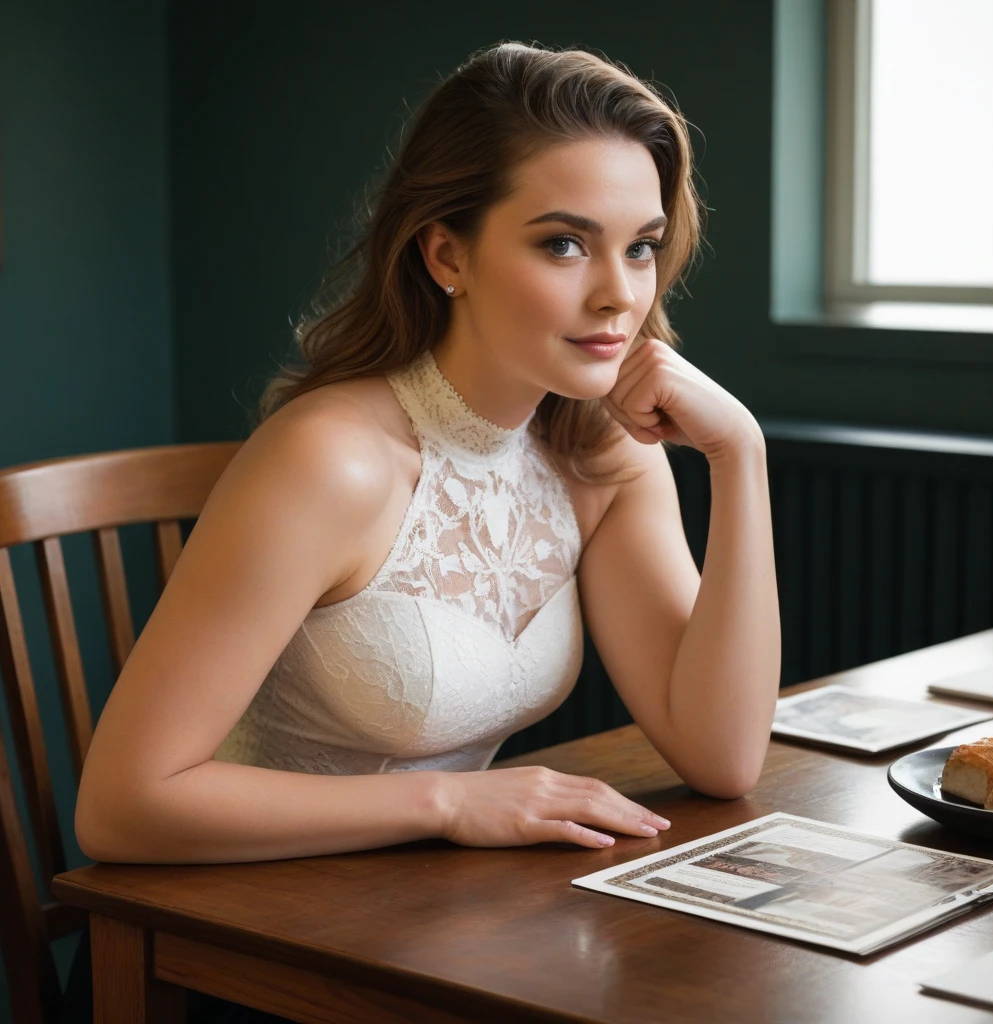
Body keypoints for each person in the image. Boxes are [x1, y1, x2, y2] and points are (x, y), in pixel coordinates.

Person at [64, 39, 780, 1022]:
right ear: (447, 252)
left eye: (641, 244)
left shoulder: (601, 456)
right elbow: (120, 803)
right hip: (223, 957)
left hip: (420, 930)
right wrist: (454, 804)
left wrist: (740, 458)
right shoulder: (328, 460)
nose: (620, 293)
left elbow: (724, 753)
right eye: (563, 243)